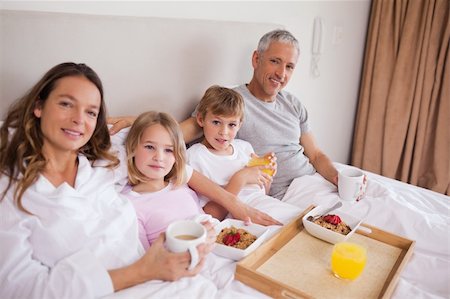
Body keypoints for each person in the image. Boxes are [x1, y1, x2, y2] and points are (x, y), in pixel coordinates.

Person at [0, 62, 218, 299]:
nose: (78, 120)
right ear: (38, 107)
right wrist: (142, 271)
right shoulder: (12, 190)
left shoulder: (105, 163)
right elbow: (18, 289)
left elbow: (164, 144)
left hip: (158, 278)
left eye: (91, 112)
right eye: (66, 104)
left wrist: (234, 203)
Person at [108, 29, 338, 200]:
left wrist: (338, 178)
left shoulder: (293, 104)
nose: (281, 73)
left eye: (289, 66)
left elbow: (316, 155)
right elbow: (175, 133)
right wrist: (137, 122)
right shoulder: (230, 106)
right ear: (256, 59)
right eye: (275, 61)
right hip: (286, 195)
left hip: (313, 180)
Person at [186, 85, 301, 224]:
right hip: (240, 221)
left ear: (240, 124)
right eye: (216, 122)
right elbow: (209, 216)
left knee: (305, 223)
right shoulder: (195, 157)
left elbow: (260, 193)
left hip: (266, 205)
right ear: (200, 119)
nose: (224, 132)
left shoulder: (244, 148)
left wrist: (267, 176)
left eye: (232, 125)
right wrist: (240, 178)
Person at [121, 110, 212, 249]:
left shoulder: (181, 186)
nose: (159, 157)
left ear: (177, 156)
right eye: (150, 147)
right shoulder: (129, 204)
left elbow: (204, 220)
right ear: (133, 147)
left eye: (168, 150)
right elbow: (145, 261)